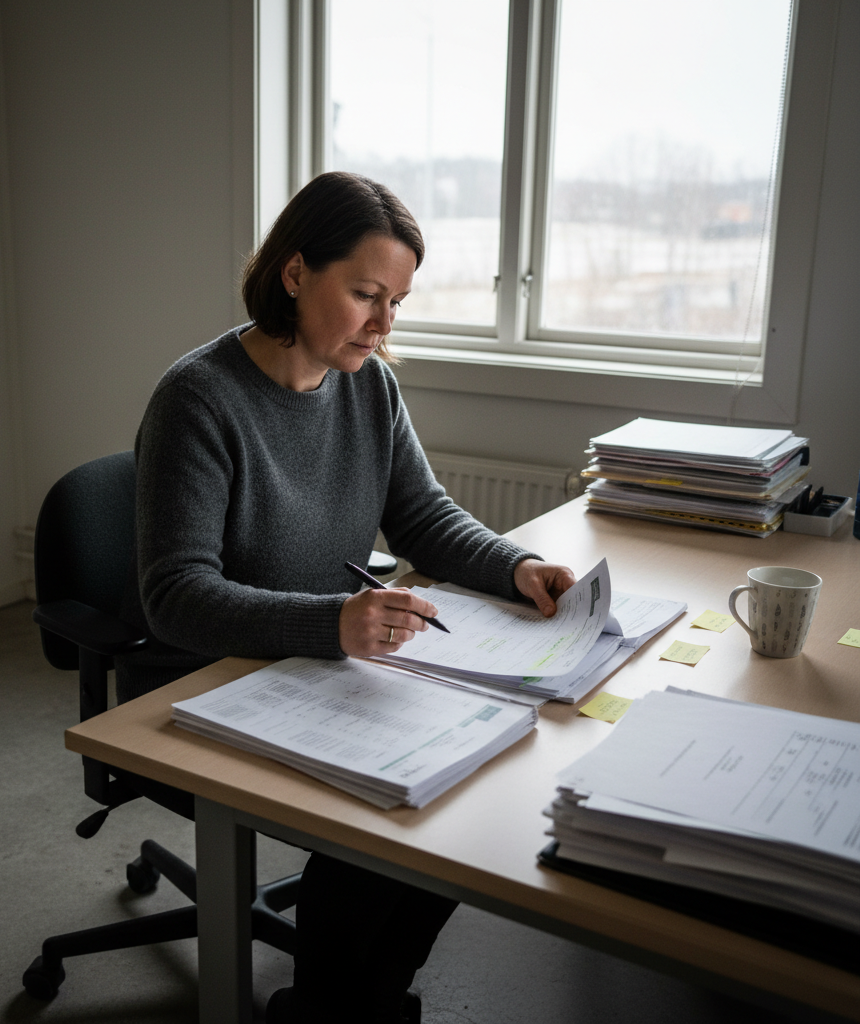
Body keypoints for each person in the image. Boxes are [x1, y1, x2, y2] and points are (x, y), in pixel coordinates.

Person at [120, 171, 575, 1024]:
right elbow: (173, 597)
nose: (384, 323)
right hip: (209, 677)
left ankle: (358, 1000)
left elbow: (422, 517)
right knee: (378, 835)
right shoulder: (200, 399)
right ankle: (334, 1005)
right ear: (295, 274)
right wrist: (329, 624)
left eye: (397, 300)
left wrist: (516, 566)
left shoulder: (368, 383)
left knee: (460, 790)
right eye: (366, 293)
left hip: (327, 664)